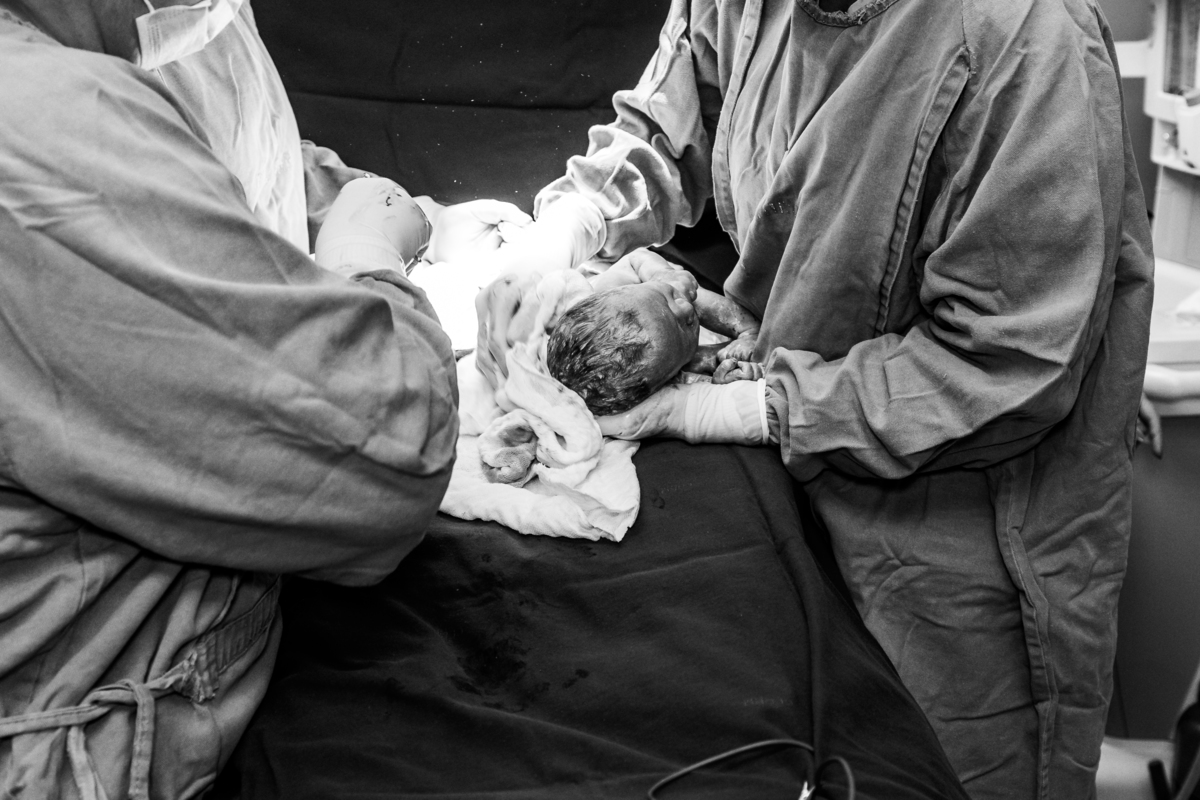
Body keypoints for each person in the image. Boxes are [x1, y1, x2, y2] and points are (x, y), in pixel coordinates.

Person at [474, 0, 1155, 797]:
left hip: (960, 533)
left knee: (935, 772)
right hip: (800, 483)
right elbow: (671, 121)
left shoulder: (1025, 39)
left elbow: (1007, 362)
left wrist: (749, 408)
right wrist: (573, 222)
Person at [0, 1, 518, 797]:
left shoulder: (64, 67)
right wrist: (367, 260)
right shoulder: (40, 130)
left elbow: (203, 153)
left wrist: (398, 212)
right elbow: (385, 455)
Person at [546, 250, 761, 415]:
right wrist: (726, 379)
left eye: (665, 299)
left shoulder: (610, 288)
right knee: (703, 359)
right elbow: (700, 390)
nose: (684, 309)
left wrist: (661, 274)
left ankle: (747, 329)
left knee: (684, 298)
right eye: (685, 325)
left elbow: (636, 258)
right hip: (678, 355)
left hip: (669, 277)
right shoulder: (658, 381)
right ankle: (732, 348)